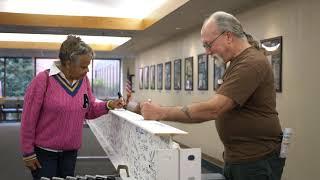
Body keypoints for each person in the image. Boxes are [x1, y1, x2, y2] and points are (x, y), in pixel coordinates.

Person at [140, 11, 285, 180]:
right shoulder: (237, 62)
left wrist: (161, 112)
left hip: (255, 160)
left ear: (228, 37)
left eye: (209, 45)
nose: (208, 52)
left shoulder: (250, 62)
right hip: (241, 158)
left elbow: (214, 109)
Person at [20, 35, 125, 180]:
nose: (87, 70)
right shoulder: (43, 80)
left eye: (88, 65)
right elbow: (28, 119)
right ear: (68, 63)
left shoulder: (83, 81)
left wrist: (109, 104)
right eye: (83, 66)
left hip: (70, 153)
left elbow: (89, 109)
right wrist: (28, 152)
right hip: (45, 154)